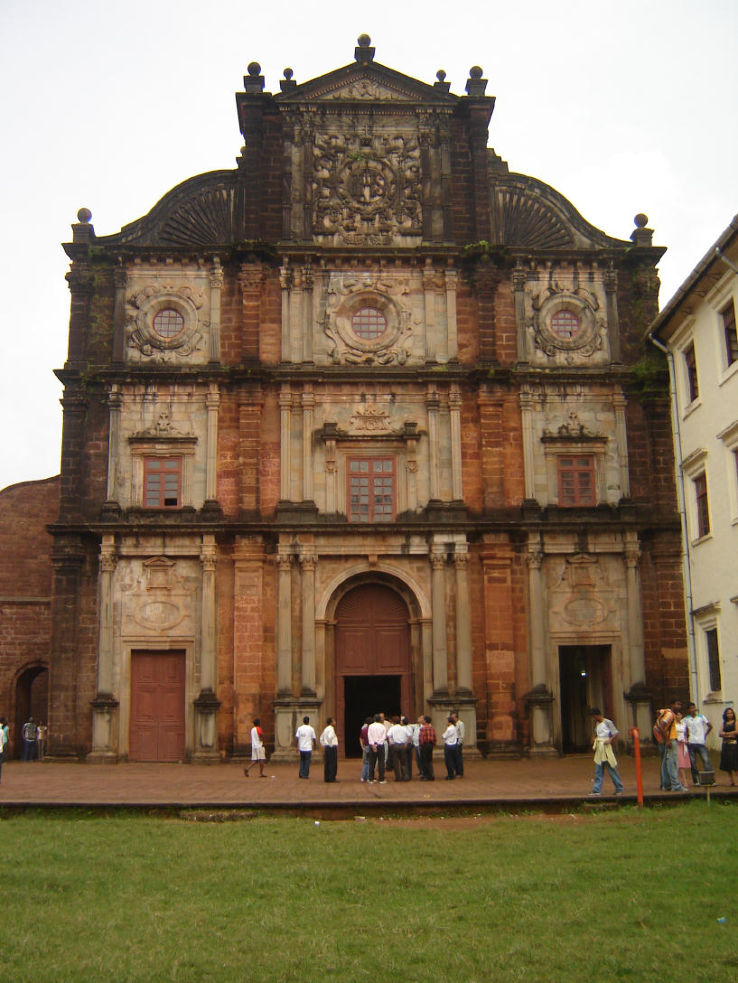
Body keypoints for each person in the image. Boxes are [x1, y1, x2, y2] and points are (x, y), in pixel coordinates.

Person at [589, 709, 624, 795]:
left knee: (611, 768)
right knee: (598, 769)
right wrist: (594, 739)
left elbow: (615, 732)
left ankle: (619, 788)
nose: (594, 718)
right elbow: (596, 734)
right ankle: (597, 789)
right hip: (600, 747)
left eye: (594, 716)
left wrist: (610, 740)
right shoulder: (597, 724)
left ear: (597, 715)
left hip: (606, 746)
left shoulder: (607, 722)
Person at [654, 700, 686, 792]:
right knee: (672, 763)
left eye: (680, 704)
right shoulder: (670, 714)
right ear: (672, 705)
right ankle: (676, 785)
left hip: (669, 739)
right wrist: (667, 740)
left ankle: (666, 784)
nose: (679, 706)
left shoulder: (666, 712)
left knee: (665, 763)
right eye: (677, 704)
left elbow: (658, 712)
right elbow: (663, 725)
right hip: (671, 739)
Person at [684, 703, 713, 784]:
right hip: (691, 742)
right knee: (693, 762)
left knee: (706, 760)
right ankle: (696, 779)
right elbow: (684, 730)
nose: (692, 710)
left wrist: (705, 735)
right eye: (690, 708)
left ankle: (710, 779)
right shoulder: (686, 719)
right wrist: (686, 738)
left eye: (693, 708)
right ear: (688, 710)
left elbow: (710, 726)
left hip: (700, 742)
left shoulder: (701, 717)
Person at [718, 707, 738, 786]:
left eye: (731, 713)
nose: (729, 715)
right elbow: (720, 733)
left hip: (733, 745)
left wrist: (726, 734)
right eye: (728, 713)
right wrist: (728, 734)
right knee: (728, 764)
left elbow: (737, 732)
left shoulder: (735, 722)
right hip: (726, 745)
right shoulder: (724, 723)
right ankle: (732, 780)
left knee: (735, 764)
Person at [387, 716, 410, 781]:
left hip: (395, 745)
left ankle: (398, 777)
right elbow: (409, 736)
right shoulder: (403, 728)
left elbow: (388, 736)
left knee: (395, 762)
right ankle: (404, 776)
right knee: (403, 762)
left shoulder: (392, 728)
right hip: (402, 745)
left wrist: (390, 743)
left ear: (393, 722)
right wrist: (406, 743)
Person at [366, 714, 387, 784]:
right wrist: (378, 744)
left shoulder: (371, 726)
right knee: (381, 762)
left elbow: (369, 736)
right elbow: (383, 737)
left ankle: (371, 778)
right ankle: (381, 779)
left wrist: (373, 745)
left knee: (372, 762)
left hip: (372, 745)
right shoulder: (382, 727)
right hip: (380, 745)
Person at [675, 711, 692, 789]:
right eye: (677, 715)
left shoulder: (683, 724)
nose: (679, 716)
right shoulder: (673, 725)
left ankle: (683, 779)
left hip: (683, 744)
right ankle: (684, 781)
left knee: (683, 764)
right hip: (677, 744)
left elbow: (686, 734)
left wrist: (686, 740)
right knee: (680, 763)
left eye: (680, 714)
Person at [320, 717, 338, 783]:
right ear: (331, 723)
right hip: (331, 747)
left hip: (327, 747)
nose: (335, 722)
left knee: (327, 763)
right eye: (334, 721)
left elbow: (321, 738)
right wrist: (331, 744)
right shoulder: (331, 729)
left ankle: (327, 777)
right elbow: (330, 737)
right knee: (332, 763)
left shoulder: (326, 729)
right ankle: (332, 778)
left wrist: (324, 744)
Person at [418, 715, 437, 781]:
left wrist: (421, 745)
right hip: (430, 745)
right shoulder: (432, 728)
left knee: (424, 760)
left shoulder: (423, 729)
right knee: (429, 760)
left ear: (425, 721)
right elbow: (434, 737)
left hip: (425, 745)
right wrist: (433, 744)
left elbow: (421, 738)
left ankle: (426, 775)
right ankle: (431, 775)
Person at [451, 711, 465, 777]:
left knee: (458, 758)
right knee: (454, 758)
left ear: (456, 718)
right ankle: (456, 771)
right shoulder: (453, 724)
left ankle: (460, 772)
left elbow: (462, 734)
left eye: (453, 718)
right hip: (453, 742)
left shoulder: (460, 724)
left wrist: (459, 743)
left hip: (458, 742)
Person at [359, 716, 372, 782]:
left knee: (366, 762)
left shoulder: (364, 730)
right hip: (371, 746)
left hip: (366, 746)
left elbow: (361, 738)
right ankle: (368, 777)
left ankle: (362, 776)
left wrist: (362, 747)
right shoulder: (372, 730)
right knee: (371, 762)